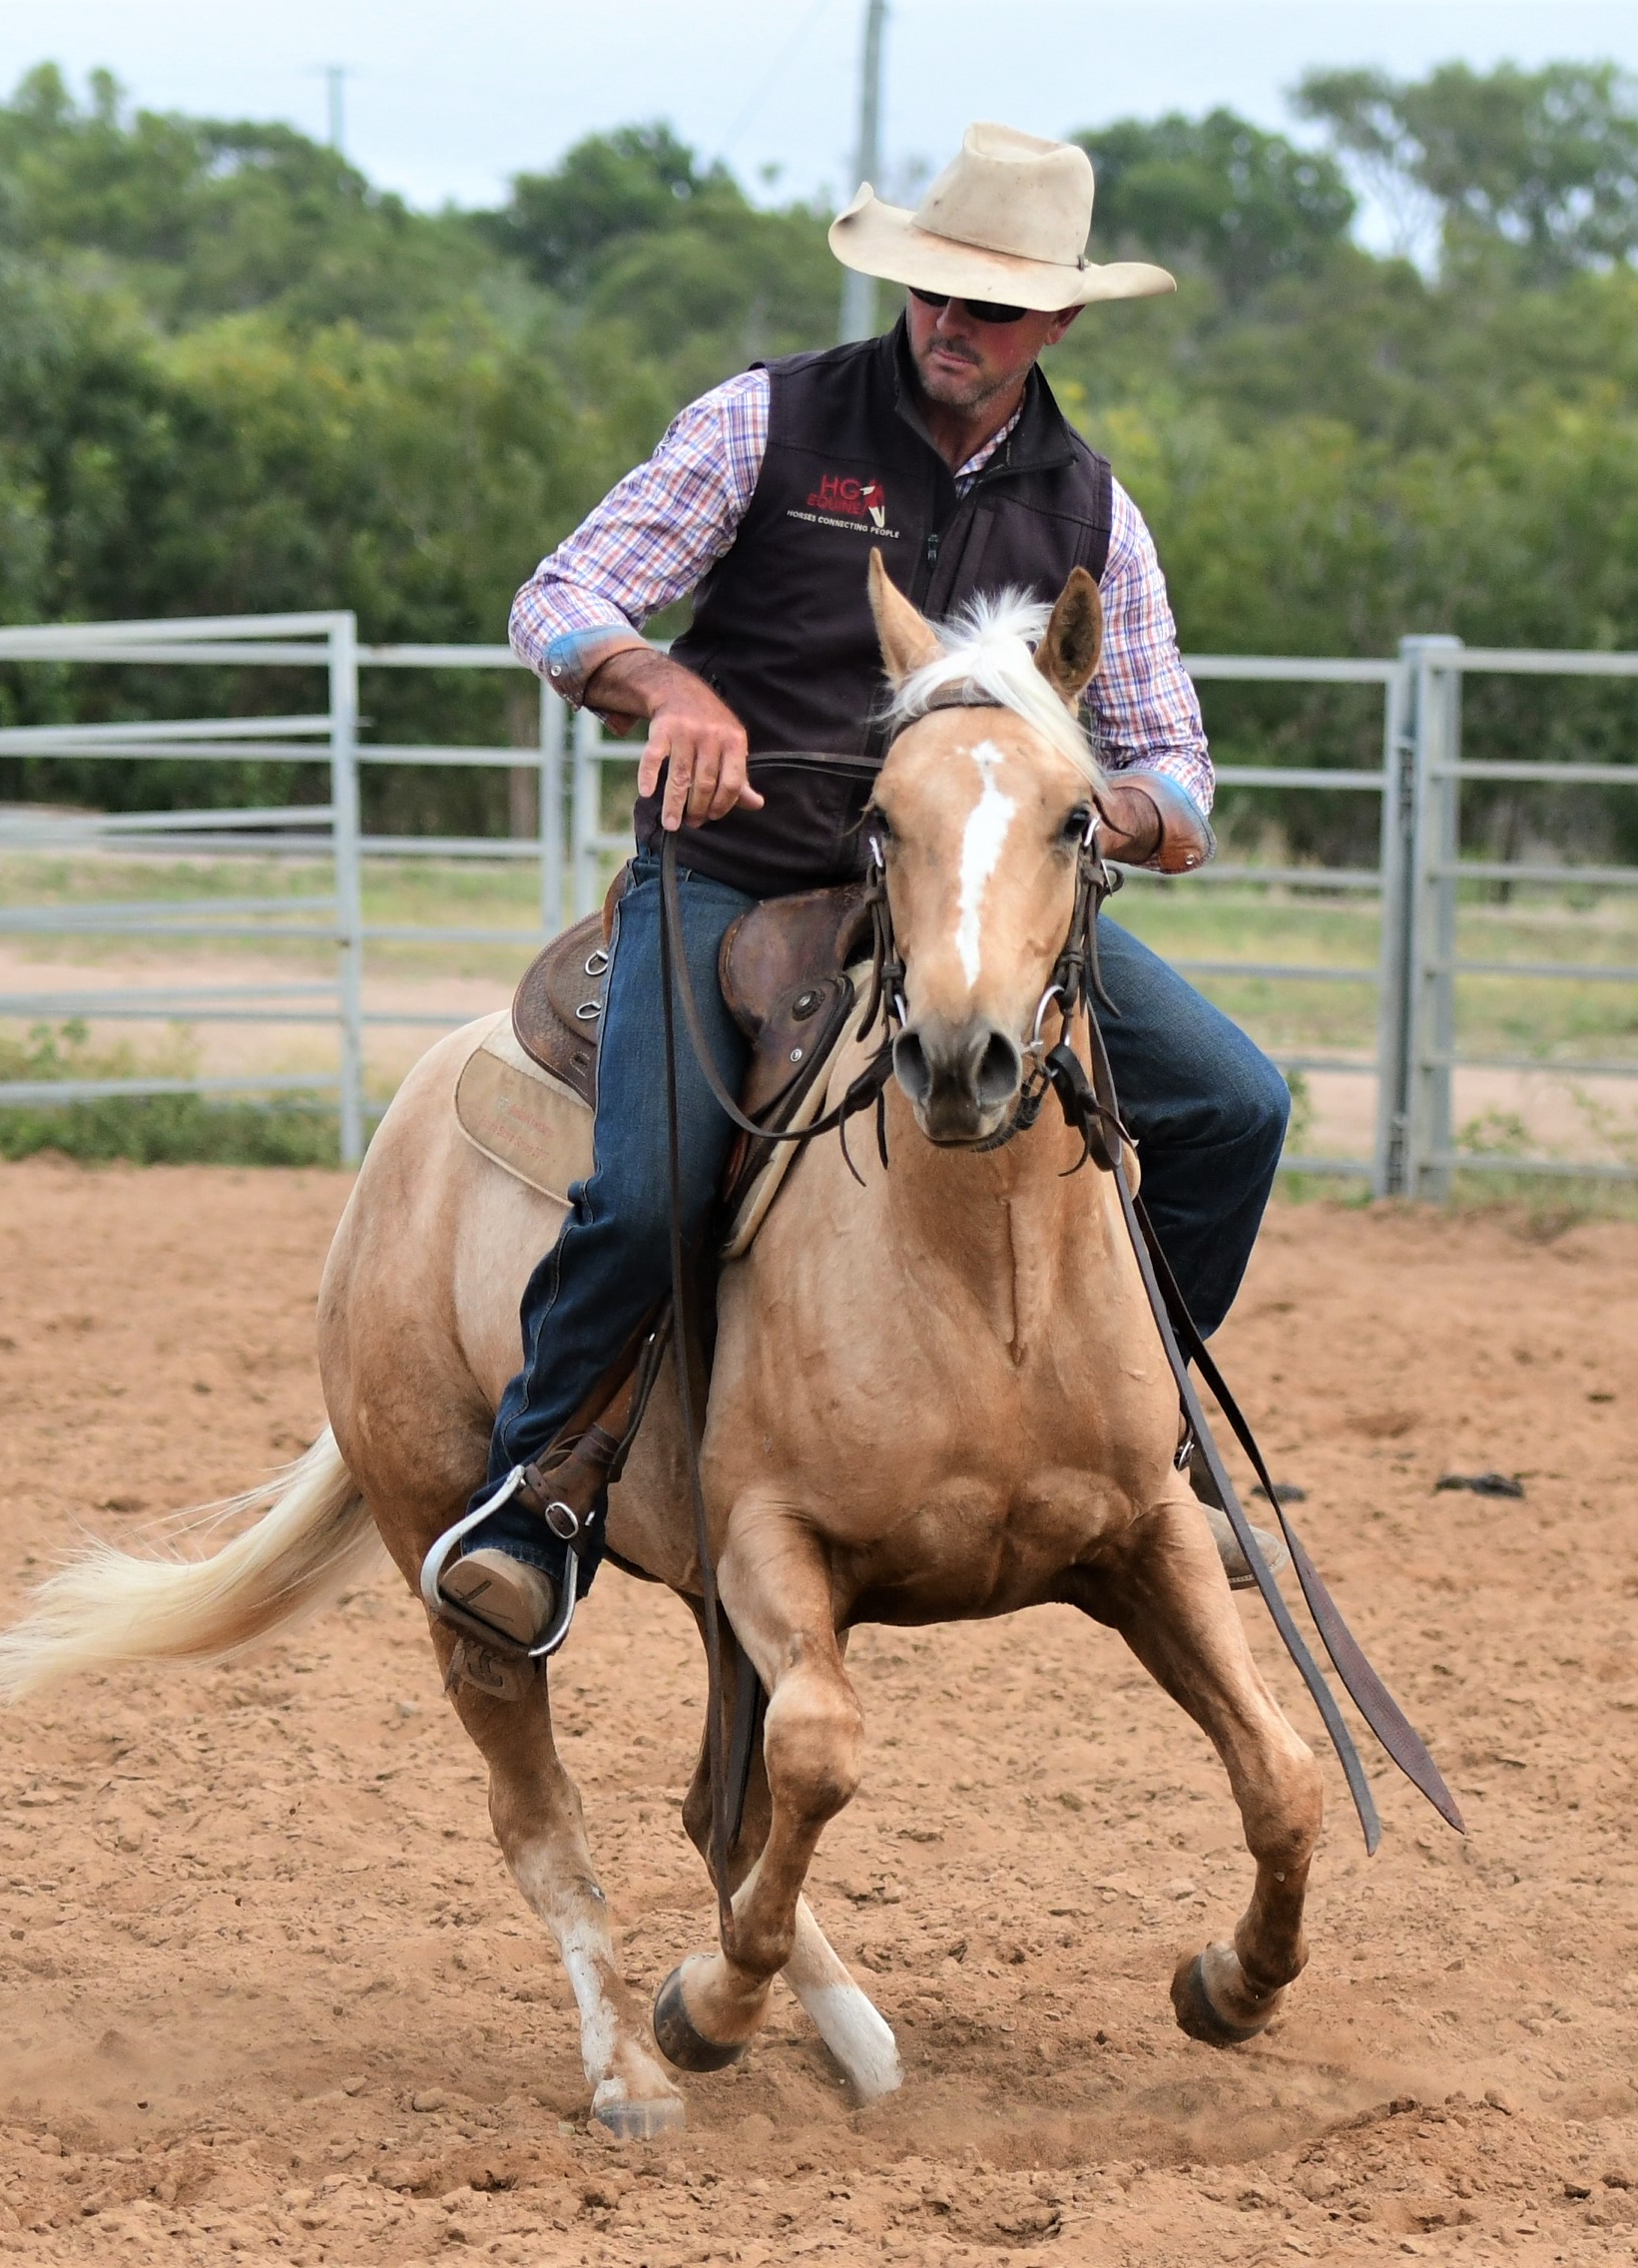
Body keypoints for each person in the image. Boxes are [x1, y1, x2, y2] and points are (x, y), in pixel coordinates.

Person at [428, 122, 1291, 1654]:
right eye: (933, 290)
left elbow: (1176, 766)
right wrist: (664, 684)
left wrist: (1111, 809)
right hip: (741, 878)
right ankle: (536, 1493)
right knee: (647, 1189)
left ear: (1056, 322)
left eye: (992, 305)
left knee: (1232, 1107)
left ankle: (1146, 1436)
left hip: (976, 901)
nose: (952, 324)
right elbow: (559, 596)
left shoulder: (1091, 509)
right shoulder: (764, 423)